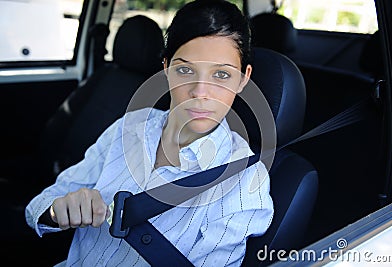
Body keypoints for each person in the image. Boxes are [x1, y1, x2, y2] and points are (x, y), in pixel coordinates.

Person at [25, 0, 274, 266]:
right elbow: (41, 205)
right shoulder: (131, 125)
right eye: (185, 70)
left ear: (243, 78)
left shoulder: (245, 182)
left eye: (221, 75)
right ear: (166, 68)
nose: (200, 93)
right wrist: (57, 211)